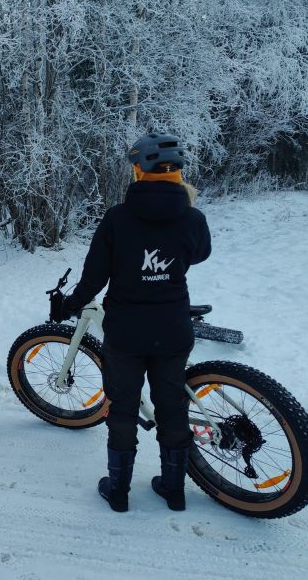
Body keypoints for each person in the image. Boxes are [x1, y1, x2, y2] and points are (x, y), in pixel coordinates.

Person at [58, 133, 211, 512]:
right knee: (172, 406)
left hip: (126, 331)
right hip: (173, 326)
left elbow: (95, 276)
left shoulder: (118, 218)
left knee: (123, 407)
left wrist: (70, 305)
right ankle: (174, 489)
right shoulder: (193, 218)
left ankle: (119, 490)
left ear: (139, 170)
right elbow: (201, 253)